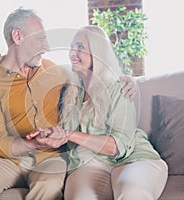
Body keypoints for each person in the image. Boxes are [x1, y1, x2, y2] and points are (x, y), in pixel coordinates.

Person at [0, 8, 136, 200]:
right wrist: (31, 143)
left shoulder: (55, 71)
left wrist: (128, 80)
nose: (47, 46)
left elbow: (93, 71)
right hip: (9, 161)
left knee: (48, 184)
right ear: (18, 36)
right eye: (41, 38)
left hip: (51, 158)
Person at [27, 25, 168, 200]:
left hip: (133, 158)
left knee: (132, 192)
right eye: (71, 47)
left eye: (80, 47)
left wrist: (70, 134)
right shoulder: (71, 90)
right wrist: (50, 135)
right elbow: (64, 135)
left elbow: (117, 146)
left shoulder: (119, 87)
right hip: (89, 164)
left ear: (97, 53)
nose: (72, 53)